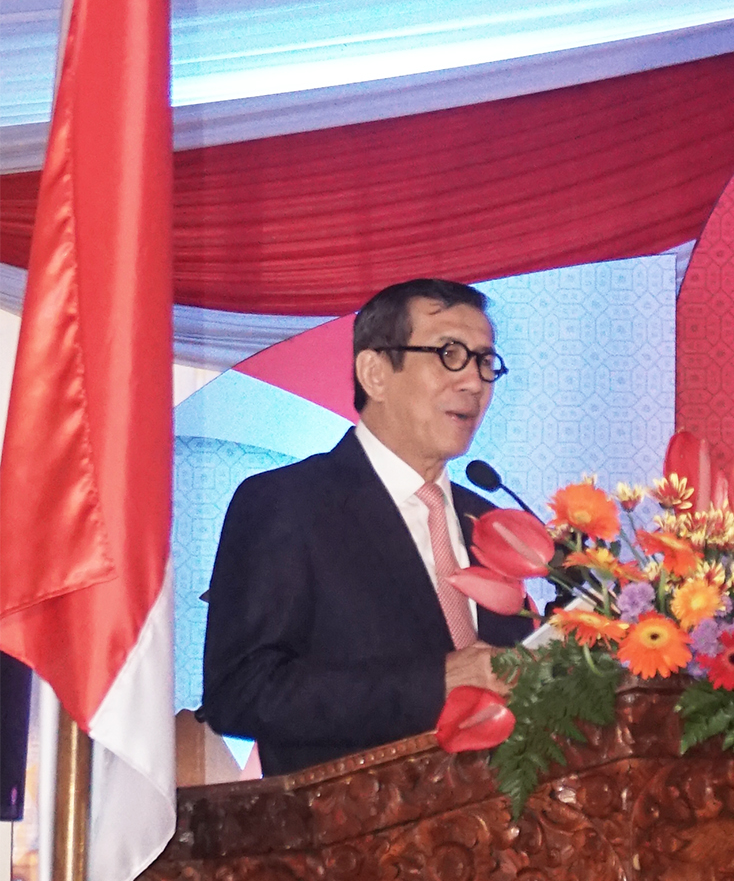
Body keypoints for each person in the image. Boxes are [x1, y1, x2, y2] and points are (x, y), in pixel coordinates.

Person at [202, 278, 531, 776]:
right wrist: (434, 684)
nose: (473, 382)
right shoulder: (288, 503)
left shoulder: (491, 524)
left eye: (485, 362)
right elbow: (241, 692)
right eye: (449, 354)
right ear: (375, 373)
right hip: (345, 818)